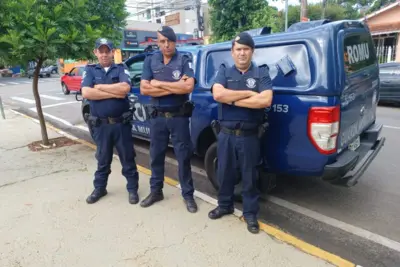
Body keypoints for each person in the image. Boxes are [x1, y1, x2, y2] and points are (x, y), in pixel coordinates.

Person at [208, 32, 273, 234]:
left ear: (252, 51)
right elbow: (218, 94)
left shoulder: (261, 72)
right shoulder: (224, 71)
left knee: (250, 176)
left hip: (249, 135)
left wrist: (231, 99)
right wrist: (246, 94)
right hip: (226, 134)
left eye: (245, 49)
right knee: (224, 172)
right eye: (238, 49)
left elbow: (265, 101)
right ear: (232, 52)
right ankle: (225, 205)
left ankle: (250, 214)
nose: (242, 53)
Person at [139, 26, 198, 213]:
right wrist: (174, 86)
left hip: (178, 117)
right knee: (156, 156)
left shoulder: (184, 60)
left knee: (183, 157)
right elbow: (144, 89)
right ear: (158, 42)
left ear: (175, 42)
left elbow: (187, 87)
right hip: (157, 118)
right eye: (162, 41)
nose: (166, 45)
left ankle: (188, 195)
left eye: (169, 41)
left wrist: (159, 84)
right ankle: (156, 191)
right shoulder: (151, 60)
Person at [81, 38, 140, 205]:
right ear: (96, 52)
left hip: (121, 124)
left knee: (128, 158)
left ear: (113, 52)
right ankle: (100, 188)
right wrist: (114, 92)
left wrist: (99, 87)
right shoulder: (90, 70)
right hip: (101, 126)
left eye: (108, 51)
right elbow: (86, 92)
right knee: (102, 159)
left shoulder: (121, 68)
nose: (105, 54)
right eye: (101, 51)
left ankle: (132, 189)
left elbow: (125, 89)